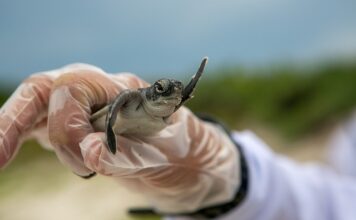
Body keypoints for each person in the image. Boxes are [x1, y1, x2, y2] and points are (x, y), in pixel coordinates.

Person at [0, 63, 356, 220]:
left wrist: (216, 170)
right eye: (161, 89)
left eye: (177, 93)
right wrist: (239, 181)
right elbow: (332, 204)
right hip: (116, 122)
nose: (172, 95)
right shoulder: (132, 98)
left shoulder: (174, 99)